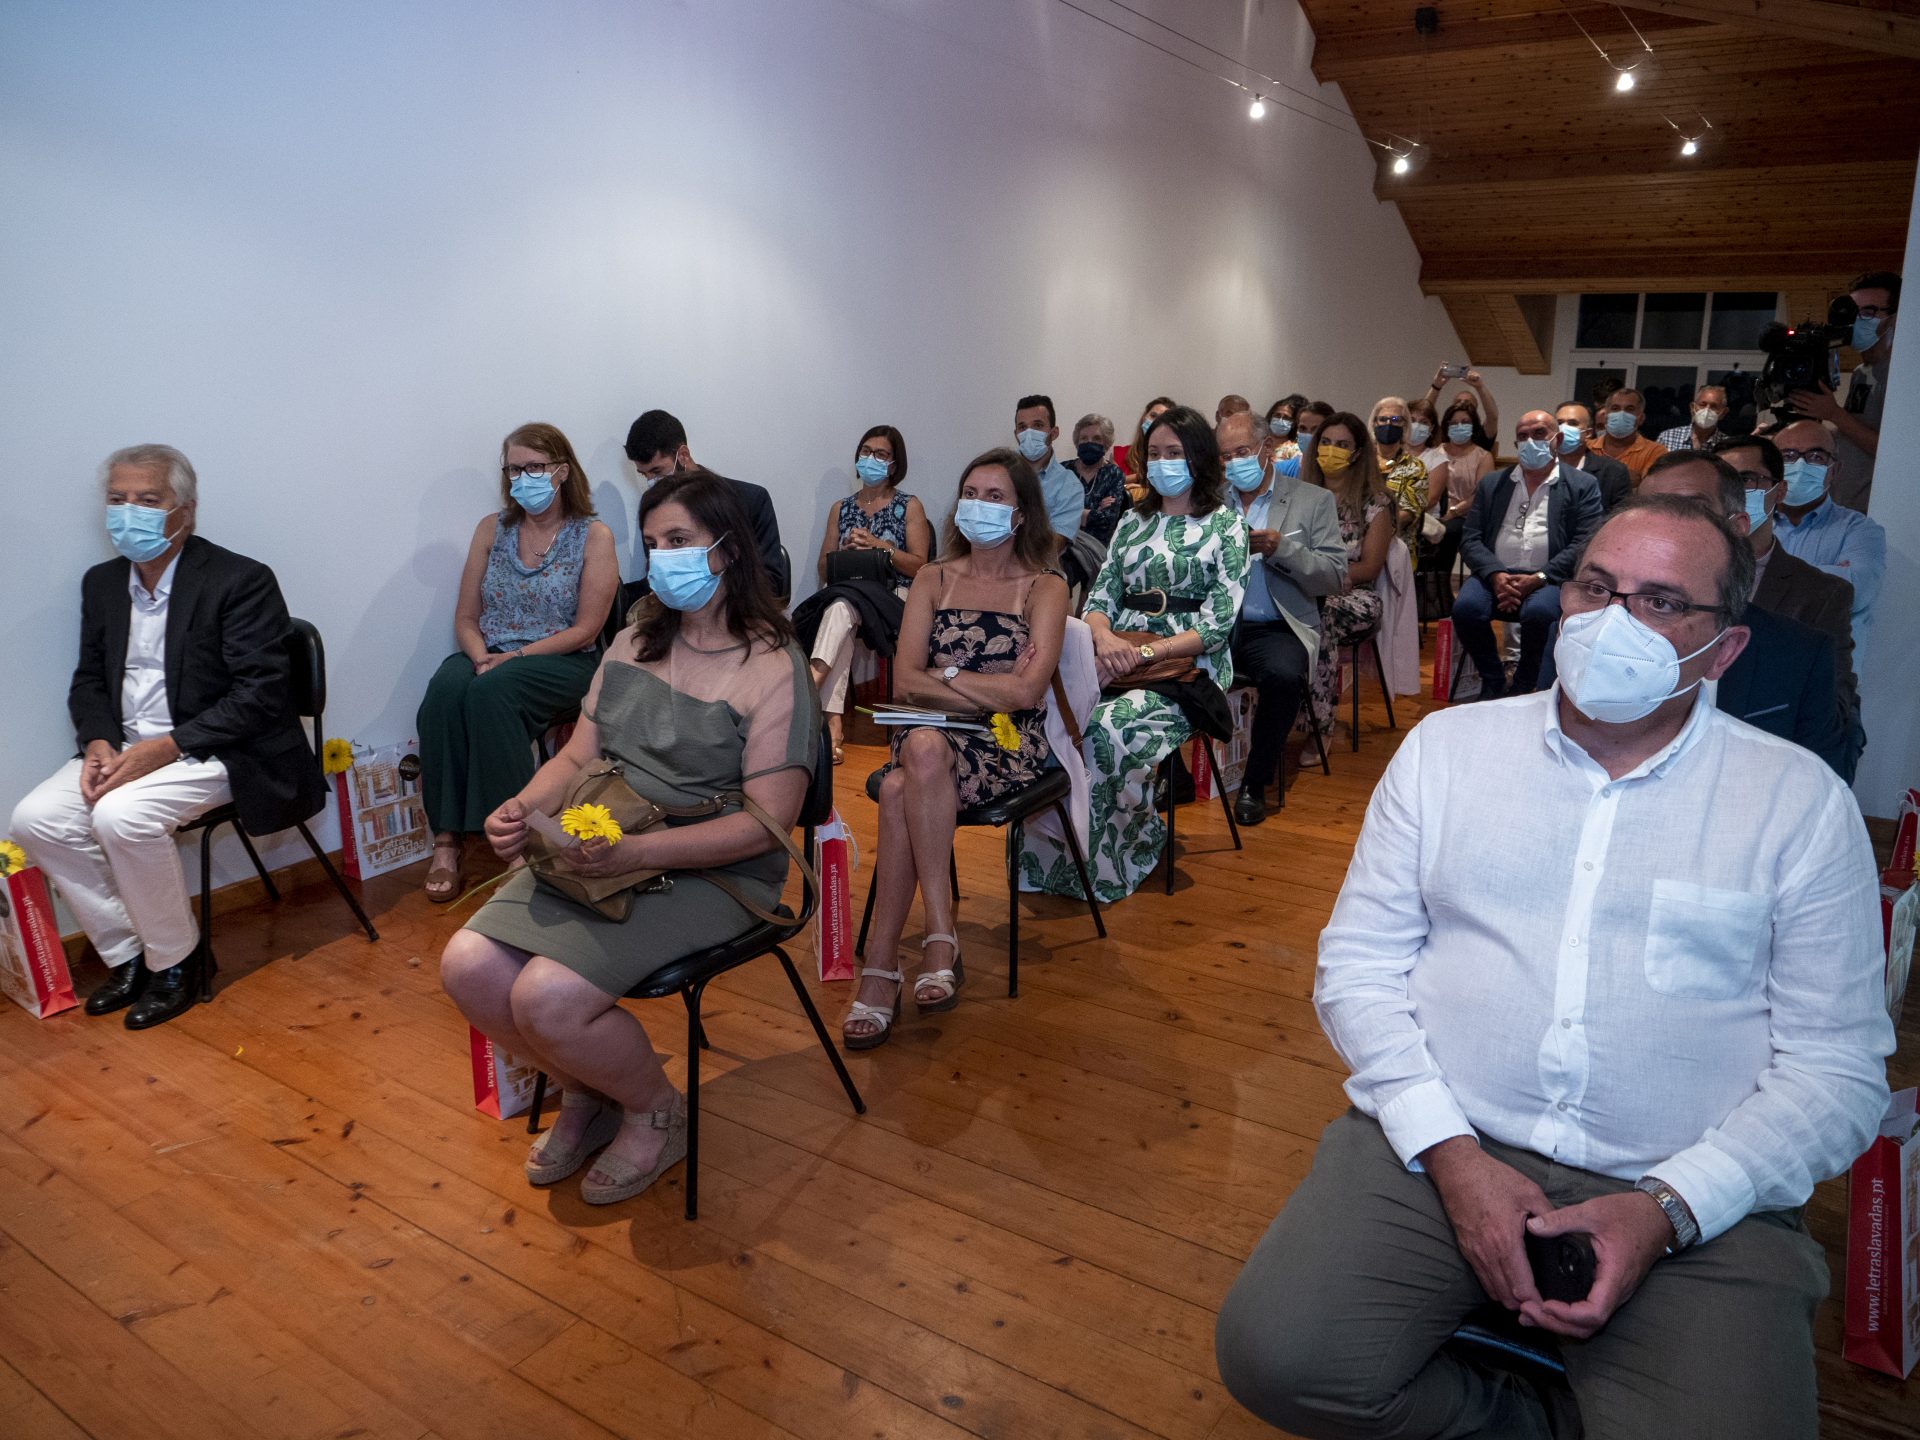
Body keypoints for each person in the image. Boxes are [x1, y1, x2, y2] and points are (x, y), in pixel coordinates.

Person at [1215, 493, 1893, 1440]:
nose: (1615, 621)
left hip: (1692, 1182)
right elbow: (1359, 966)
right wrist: (1454, 1156)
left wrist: (1668, 1208)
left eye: (1662, 603)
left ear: (1724, 649)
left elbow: (1838, 1070)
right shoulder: (1448, 752)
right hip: (1444, 1137)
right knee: (1278, 1359)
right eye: (1597, 588)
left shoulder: (1797, 805)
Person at [440, 471, 818, 1205]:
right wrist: (521, 806)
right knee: (469, 967)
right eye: (653, 543)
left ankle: (655, 1111)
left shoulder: (774, 666)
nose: (663, 558)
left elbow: (764, 823)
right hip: (604, 843)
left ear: (727, 550)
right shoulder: (635, 639)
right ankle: (591, 1089)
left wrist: (640, 853)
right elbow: (576, 758)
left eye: (679, 540)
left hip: (715, 869)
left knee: (547, 997)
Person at [11, 444, 327, 1030]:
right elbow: (89, 679)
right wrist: (99, 740)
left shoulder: (241, 579)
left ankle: (179, 961)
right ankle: (128, 955)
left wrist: (165, 748)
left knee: (121, 817)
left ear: (186, 510)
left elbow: (260, 695)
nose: (128, 512)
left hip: (222, 749)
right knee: (35, 820)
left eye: (148, 500)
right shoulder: (103, 584)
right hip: (129, 746)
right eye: (118, 499)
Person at [840, 450, 1068, 1049]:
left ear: (1021, 513)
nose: (978, 505)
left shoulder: (1045, 586)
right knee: (921, 751)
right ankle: (938, 938)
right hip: (929, 729)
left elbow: (1026, 693)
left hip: (1005, 744)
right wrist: (983, 685)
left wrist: (943, 675)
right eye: (971, 492)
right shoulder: (933, 578)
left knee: (901, 781)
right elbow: (903, 682)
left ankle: (884, 965)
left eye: (995, 496)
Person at [1021, 404, 1248, 903]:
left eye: (1175, 453)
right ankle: (1050, 863)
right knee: (1054, 720)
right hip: (1117, 655)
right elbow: (1100, 599)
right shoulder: (1131, 521)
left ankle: (1124, 852)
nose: (1164, 462)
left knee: (1107, 729)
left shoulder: (1226, 525)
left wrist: (1144, 653)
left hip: (1188, 668)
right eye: (1156, 453)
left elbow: (1217, 624)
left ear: (1199, 458)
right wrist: (1104, 640)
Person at [417, 424, 619, 901]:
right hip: (491, 653)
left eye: (535, 467)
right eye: (514, 469)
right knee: (445, 690)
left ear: (562, 472)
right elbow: (466, 617)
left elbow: (587, 630)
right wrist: (480, 656)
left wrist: (513, 659)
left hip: (565, 659)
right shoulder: (492, 529)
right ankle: (446, 839)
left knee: (493, 692)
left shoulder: (593, 536)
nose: (523, 477)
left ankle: (519, 846)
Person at [1639, 450, 1849, 776]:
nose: (1664, 528)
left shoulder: (1801, 654)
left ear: (1736, 528)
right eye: (1647, 512)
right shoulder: (1579, 631)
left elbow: (1824, 775)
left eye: (1690, 510)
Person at [1216, 409, 1346, 825]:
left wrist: (1281, 549)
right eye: (1224, 456)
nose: (1233, 463)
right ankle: (1177, 777)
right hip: (1217, 624)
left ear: (1266, 448)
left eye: (1241, 452)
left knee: (1283, 676)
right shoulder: (1211, 501)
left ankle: (1255, 782)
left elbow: (1334, 575)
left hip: (1276, 625)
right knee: (1169, 666)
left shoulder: (1312, 500)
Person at [1715, 432, 1862, 772]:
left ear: (1779, 491)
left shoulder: (1820, 593)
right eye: (1724, 482)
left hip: (1764, 760)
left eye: (1747, 480)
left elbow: (1831, 709)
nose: (1735, 493)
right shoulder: (1677, 577)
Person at [799, 425, 931, 764]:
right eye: (866, 452)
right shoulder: (840, 508)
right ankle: (833, 723)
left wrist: (879, 547)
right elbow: (824, 568)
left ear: (894, 464)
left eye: (880, 454)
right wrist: (845, 553)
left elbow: (921, 565)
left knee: (843, 606)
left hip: (893, 595)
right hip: (851, 592)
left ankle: (808, 690)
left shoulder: (909, 506)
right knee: (842, 606)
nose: (871, 458)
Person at [1453, 410, 1605, 699]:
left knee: (1540, 613)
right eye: (1523, 436)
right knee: (1466, 608)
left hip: (1549, 578)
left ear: (1557, 440)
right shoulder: (1493, 484)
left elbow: (1585, 543)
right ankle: (1493, 679)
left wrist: (1539, 577)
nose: (1531, 441)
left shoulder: (1582, 485)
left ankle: (1525, 682)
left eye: (1539, 433)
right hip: (1495, 575)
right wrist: (1495, 574)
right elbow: (1470, 538)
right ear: (1516, 444)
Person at [1298, 412, 1396, 741]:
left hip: (1355, 596)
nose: (1331, 450)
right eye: (1325, 442)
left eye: (1341, 445)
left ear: (1357, 453)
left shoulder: (1375, 502)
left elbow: (1369, 567)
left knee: (1319, 613)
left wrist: (1324, 575)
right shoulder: (1300, 496)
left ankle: (1319, 727)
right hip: (1304, 589)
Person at [625, 409, 788, 598]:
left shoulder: (750, 500)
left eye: (657, 471)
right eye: (644, 475)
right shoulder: (654, 511)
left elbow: (772, 582)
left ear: (683, 455)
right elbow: (658, 578)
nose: (651, 482)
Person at [1770, 417, 1886, 649]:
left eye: (1816, 457)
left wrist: (1763, 572)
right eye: (1788, 456)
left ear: (1835, 470)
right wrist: (1828, 573)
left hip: (1823, 661)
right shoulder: (1749, 522)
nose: (1801, 466)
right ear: (1771, 467)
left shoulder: (1860, 530)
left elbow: (1856, 592)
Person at [1787, 270, 1897, 512]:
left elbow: (1895, 452)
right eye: (1852, 312)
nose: (1857, 320)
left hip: (1873, 509)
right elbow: (1854, 430)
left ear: (1894, 319)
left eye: (1869, 312)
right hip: (1842, 503)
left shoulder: (1900, 376)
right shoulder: (1861, 372)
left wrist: (1834, 414)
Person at [1014, 393, 1082, 545]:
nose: (1029, 433)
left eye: (1038, 425)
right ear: (1016, 434)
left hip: (1035, 559)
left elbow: (1055, 545)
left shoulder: (1069, 485)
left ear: (1054, 433)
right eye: (1022, 427)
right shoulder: (998, 472)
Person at [1371, 396, 1429, 551]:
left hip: (1397, 545)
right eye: (1383, 419)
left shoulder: (1415, 466)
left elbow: (1409, 513)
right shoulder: (1361, 461)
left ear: (1405, 426)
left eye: (1395, 420)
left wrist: (1373, 531)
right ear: (1374, 423)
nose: (1388, 424)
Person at [1064, 413, 1130, 546]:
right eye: (1084, 438)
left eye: (1096, 438)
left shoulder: (1113, 474)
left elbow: (1107, 522)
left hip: (1097, 549)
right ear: (1077, 443)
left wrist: (1068, 513)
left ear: (1106, 444)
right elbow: (1049, 515)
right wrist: (1096, 512)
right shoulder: (1064, 471)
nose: (1089, 443)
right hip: (1063, 544)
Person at [1554, 402, 1631, 512]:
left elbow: (1620, 517)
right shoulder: (1540, 468)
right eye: (1559, 423)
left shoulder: (1613, 472)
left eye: (1572, 423)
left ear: (1588, 433)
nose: (1563, 428)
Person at [1589, 387, 1666, 485]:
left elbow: (1650, 490)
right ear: (1605, 416)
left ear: (1641, 418)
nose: (1621, 414)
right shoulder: (1587, 447)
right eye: (1615, 408)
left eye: (1629, 409)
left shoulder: (1654, 452)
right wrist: (1623, 478)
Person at [1418, 365, 1500, 443]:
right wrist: (1436, 386)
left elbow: (1493, 417)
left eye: (1467, 402)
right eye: (1458, 401)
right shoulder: (1444, 433)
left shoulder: (1481, 434)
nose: (1462, 404)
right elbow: (1423, 415)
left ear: (1475, 409)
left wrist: (1480, 387)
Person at [1119, 394, 1175, 497]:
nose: (1156, 422)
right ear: (1143, 418)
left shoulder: (1174, 458)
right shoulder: (1120, 454)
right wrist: (1139, 477)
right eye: (1153, 416)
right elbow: (1109, 484)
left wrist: (1144, 490)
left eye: (1163, 419)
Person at [1657, 383, 1729, 452]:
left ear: (1723, 413)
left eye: (1714, 406)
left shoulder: (1728, 446)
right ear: (1692, 408)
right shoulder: (1667, 437)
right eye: (1702, 405)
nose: (1707, 410)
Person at [1266, 393, 1309, 463]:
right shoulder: (1258, 441)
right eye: (1277, 415)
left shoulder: (1295, 451)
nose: (1280, 420)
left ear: (1293, 423)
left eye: (1286, 418)